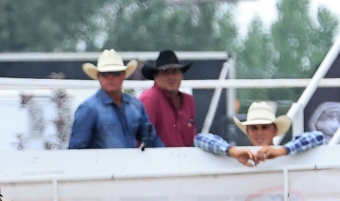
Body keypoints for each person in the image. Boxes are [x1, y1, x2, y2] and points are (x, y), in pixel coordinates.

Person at [68, 49, 165, 149]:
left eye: (116, 73)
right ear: (99, 76)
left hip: (130, 164)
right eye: (105, 74)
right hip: (103, 164)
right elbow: (76, 150)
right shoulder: (88, 109)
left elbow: (151, 141)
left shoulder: (136, 105)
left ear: (123, 75)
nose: (111, 77)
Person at [195, 102, 325, 166]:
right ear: (248, 132)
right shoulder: (241, 153)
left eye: (264, 127)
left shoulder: (286, 151)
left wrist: (282, 151)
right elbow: (199, 139)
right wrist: (232, 151)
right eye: (254, 128)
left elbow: (318, 137)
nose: (259, 132)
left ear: (274, 130)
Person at [138, 49, 197, 147]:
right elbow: (142, 141)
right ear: (156, 77)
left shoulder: (188, 100)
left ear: (181, 76)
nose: (171, 77)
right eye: (165, 72)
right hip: (157, 160)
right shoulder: (150, 99)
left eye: (175, 71)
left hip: (185, 159)